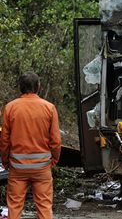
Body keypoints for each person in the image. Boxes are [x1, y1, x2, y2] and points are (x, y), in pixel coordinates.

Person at [0, 71, 61, 219]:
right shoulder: (49, 108)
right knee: (44, 206)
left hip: (17, 168)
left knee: (14, 206)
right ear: (38, 86)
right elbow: (56, 141)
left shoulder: (10, 108)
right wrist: (53, 160)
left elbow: (4, 140)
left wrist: (6, 161)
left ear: (20, 87)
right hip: (42, 168)